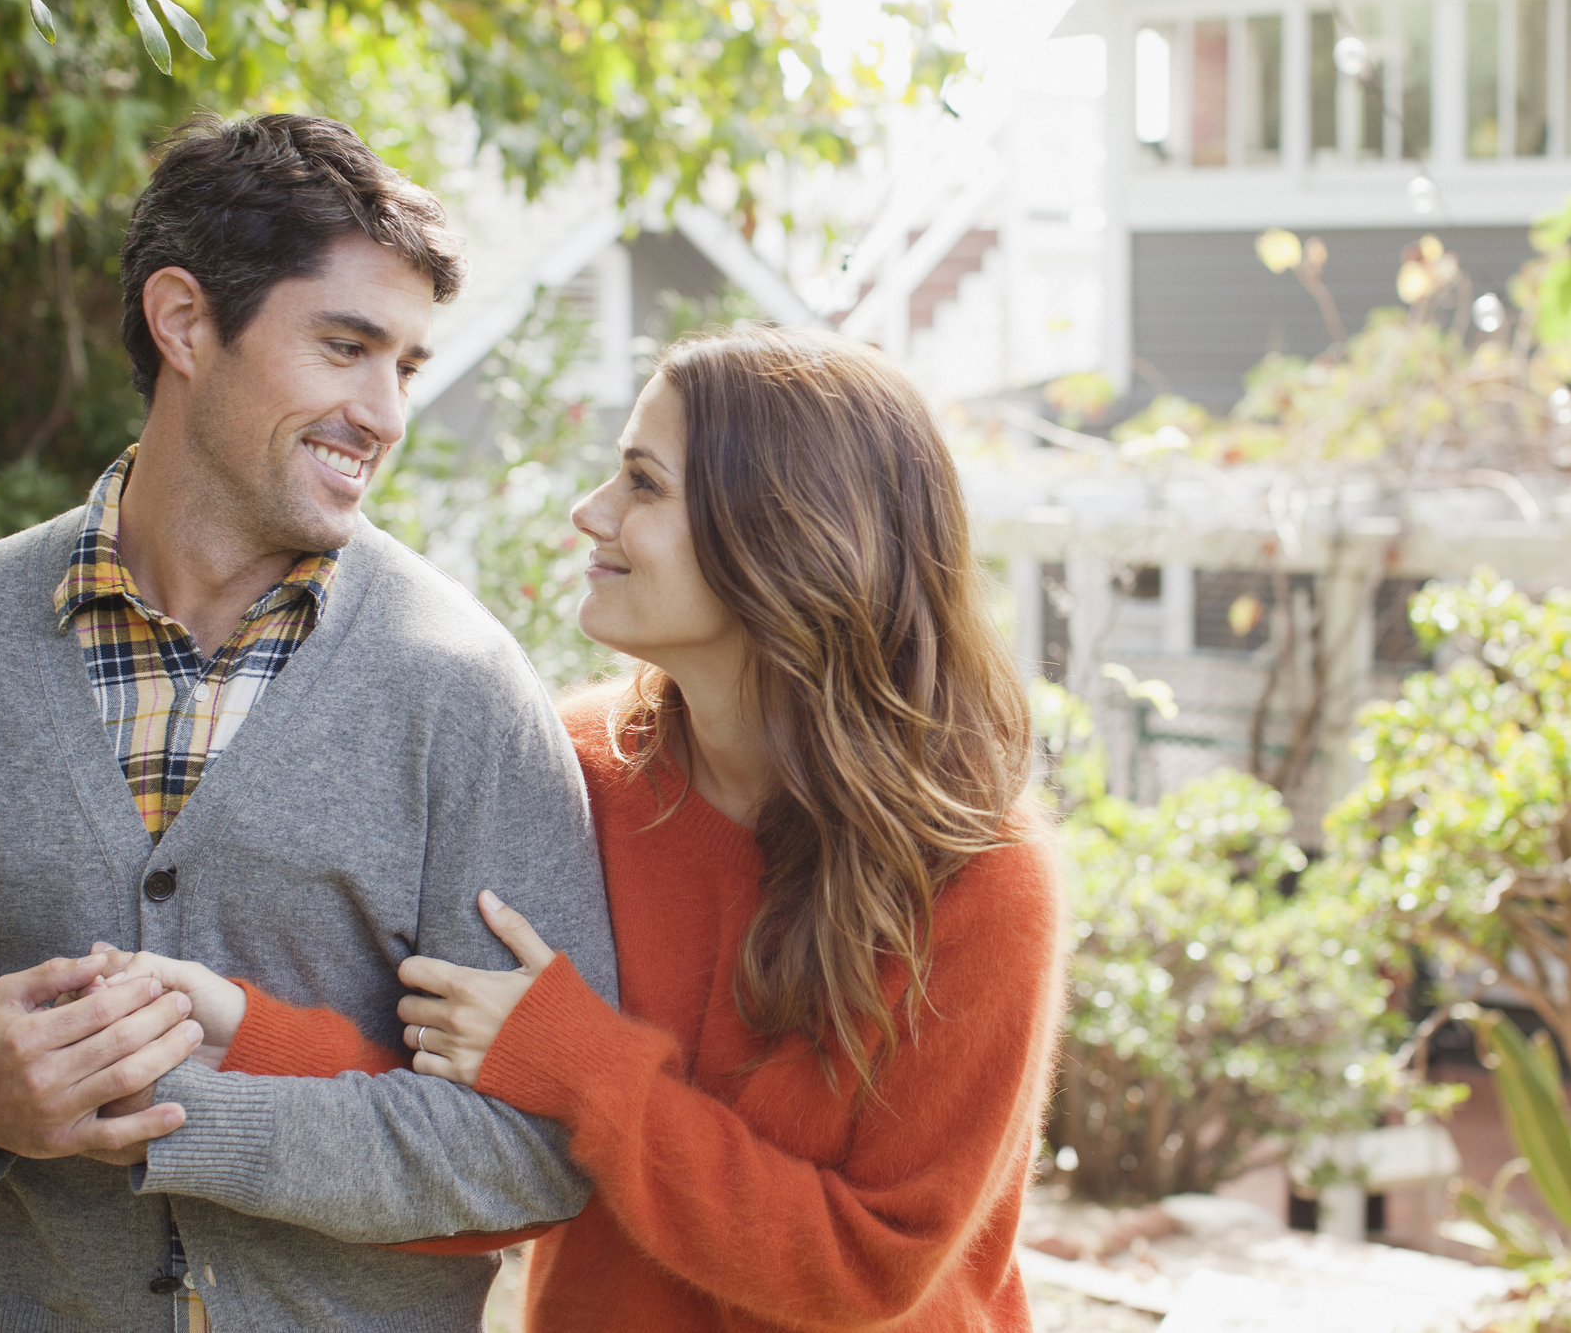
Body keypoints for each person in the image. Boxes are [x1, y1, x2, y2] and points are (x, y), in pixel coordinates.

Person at [0, 113, 616, 1333]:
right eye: (346, 347)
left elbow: (547, 1141)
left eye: (405, 365)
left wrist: (194, 1115)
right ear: (184, 322)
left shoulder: (463, 686)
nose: (382, 412)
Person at [110, 327, 1066, 1330]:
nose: (590, 511)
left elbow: (868, 1268)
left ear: (787, 534)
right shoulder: (571, 769)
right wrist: (246, 1035)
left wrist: (584, 1066)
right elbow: (478, 1138)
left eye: (643, 484)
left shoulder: (979, 872)